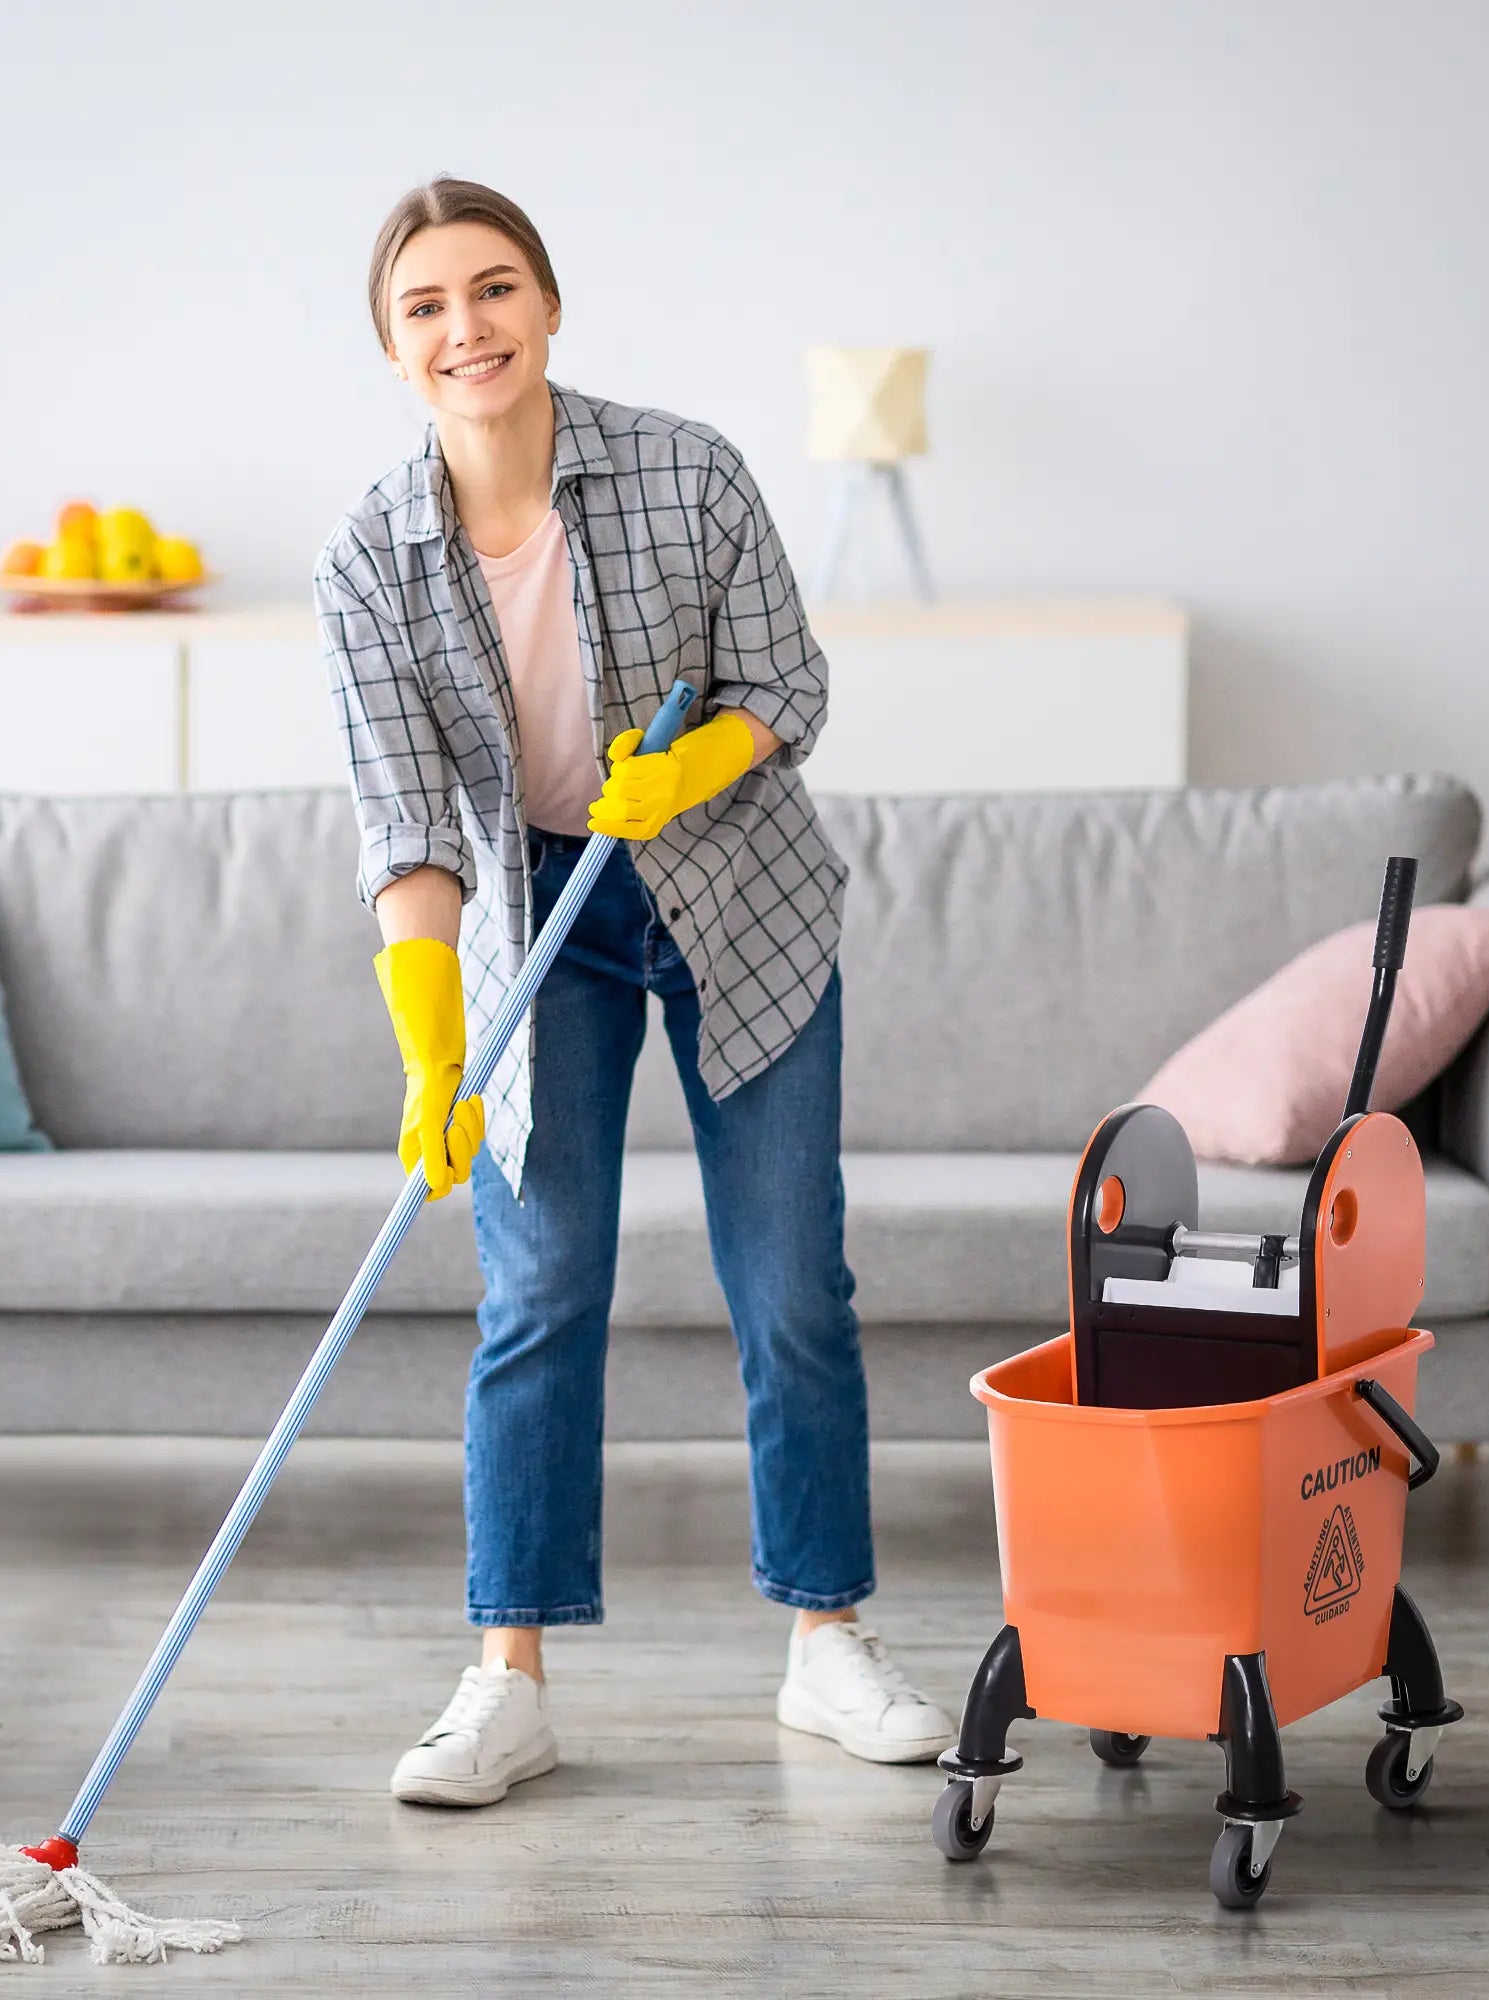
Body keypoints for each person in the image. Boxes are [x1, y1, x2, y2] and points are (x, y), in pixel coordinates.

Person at [313, 176, 952, 1809]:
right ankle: (507, 1678)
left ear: (548, 305)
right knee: (539, 1294)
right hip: (540, 920)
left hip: (735, 890)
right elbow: (407, 822)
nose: (470, 327)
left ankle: (828, 1644)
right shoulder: (370, 560)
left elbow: (788, 684)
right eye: (429, 307)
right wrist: (432, 1047)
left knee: (791, 1285)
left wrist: (697, 771)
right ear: (392, 350)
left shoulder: (686, 467)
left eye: (496, 287)